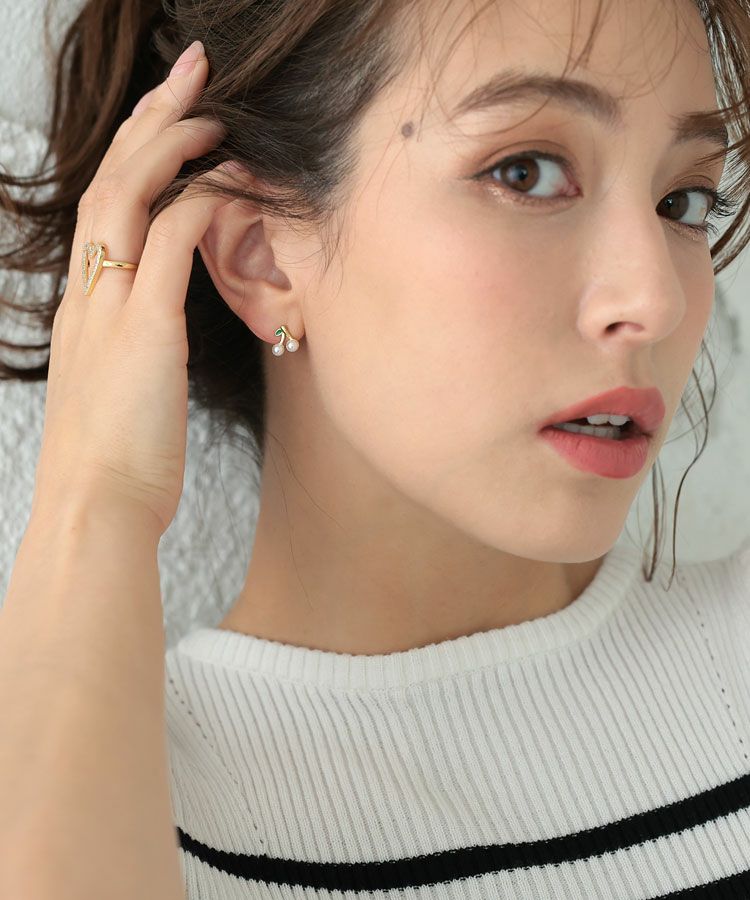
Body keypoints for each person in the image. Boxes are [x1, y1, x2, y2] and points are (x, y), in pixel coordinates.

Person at [0, 0, 748, 897]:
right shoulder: (122, 812)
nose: (657, 300)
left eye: (683, 201)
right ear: (262, 256)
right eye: (526, 171)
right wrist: (96, 500)